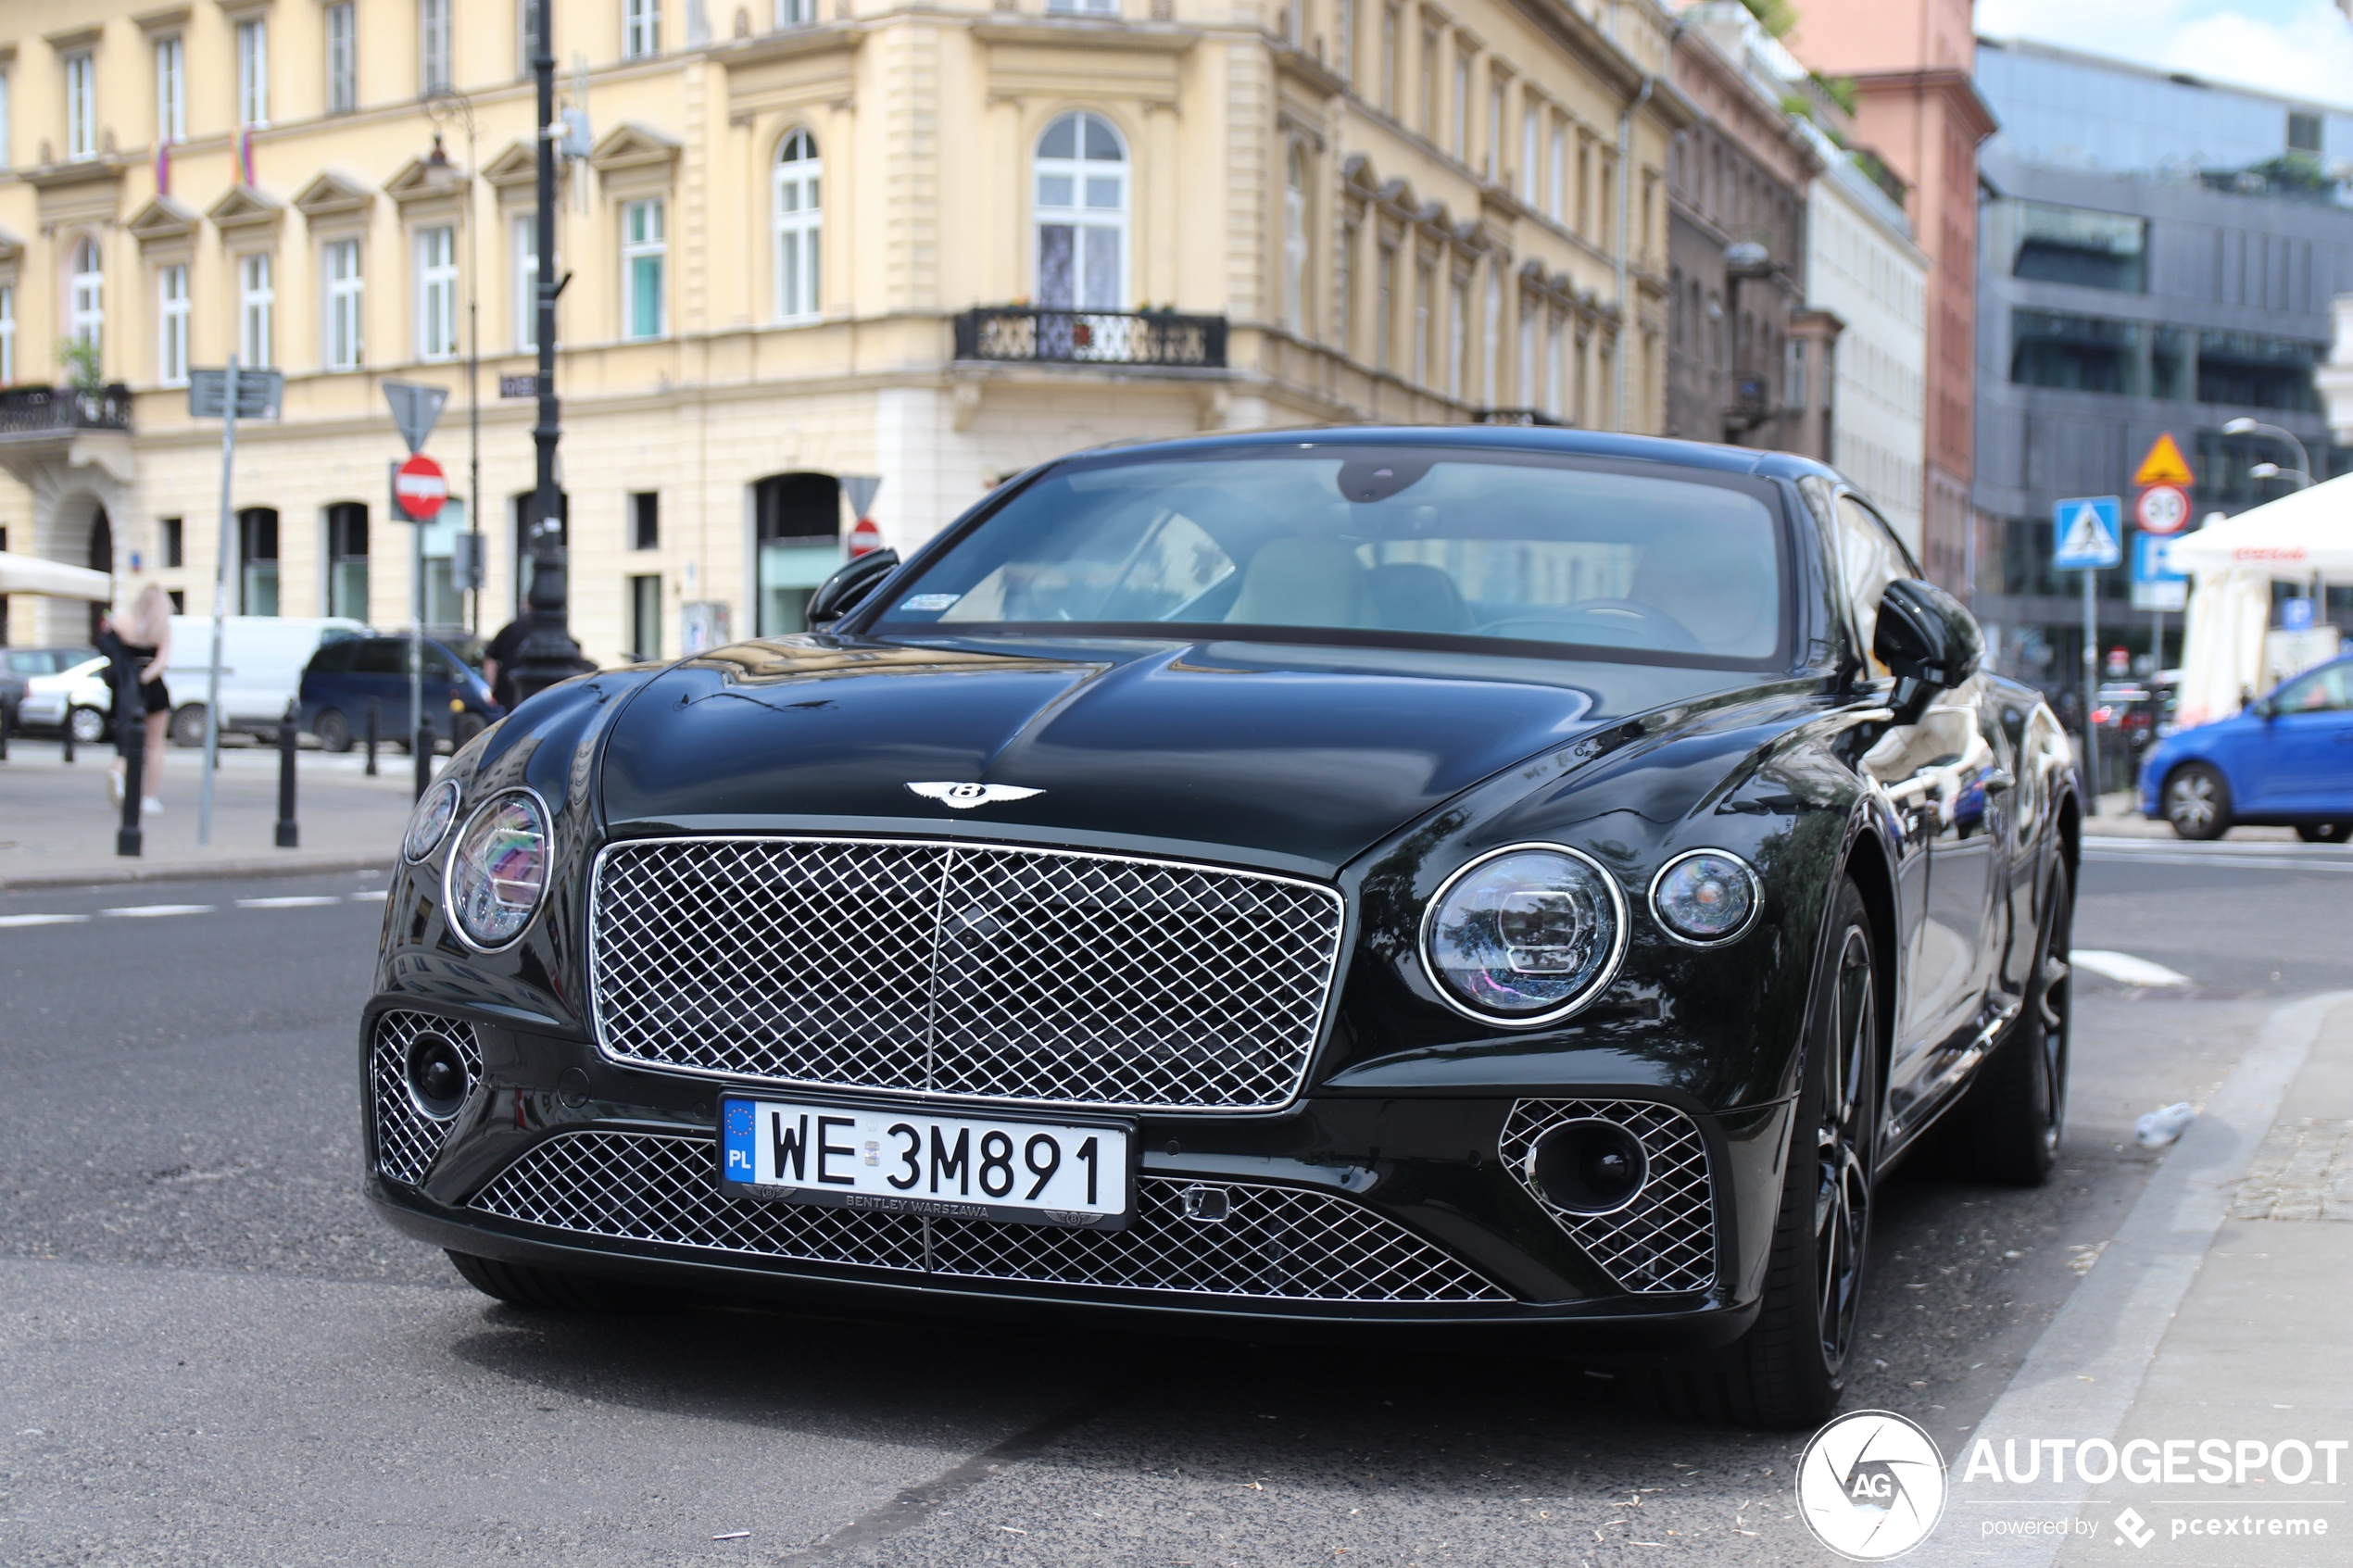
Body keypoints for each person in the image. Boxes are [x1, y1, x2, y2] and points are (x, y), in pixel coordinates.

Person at [95, 584, 172, 815]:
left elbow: (109, 649)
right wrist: (145, 677)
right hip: (154, 687)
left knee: (127, 736)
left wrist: (132, 681)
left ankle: (118, 772)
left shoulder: (123, 622)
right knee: (155, 744)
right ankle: (149, 797)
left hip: (126, 688)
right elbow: (162, 662)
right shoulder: (162, 628)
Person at [481, 613, 527, 712]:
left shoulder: (512, 628)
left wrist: (492, 687)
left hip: (508, 693)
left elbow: (490, 659)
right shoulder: (554, 631)